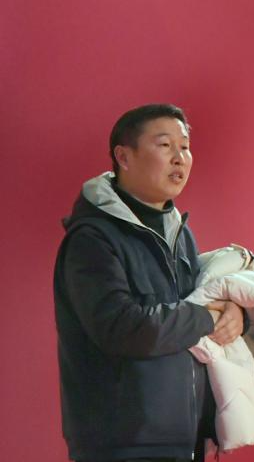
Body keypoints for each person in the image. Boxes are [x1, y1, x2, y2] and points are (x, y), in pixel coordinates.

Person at [54, 104, 244, 462]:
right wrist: (207, 317)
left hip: (184, 443)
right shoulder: (92, 239)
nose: (179, 158)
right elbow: (121, 327)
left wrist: (233, 315)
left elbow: (194, 325)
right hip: (119, 446)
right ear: (124, 157)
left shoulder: (180, 233)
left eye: (185, 147)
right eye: (165, 145)